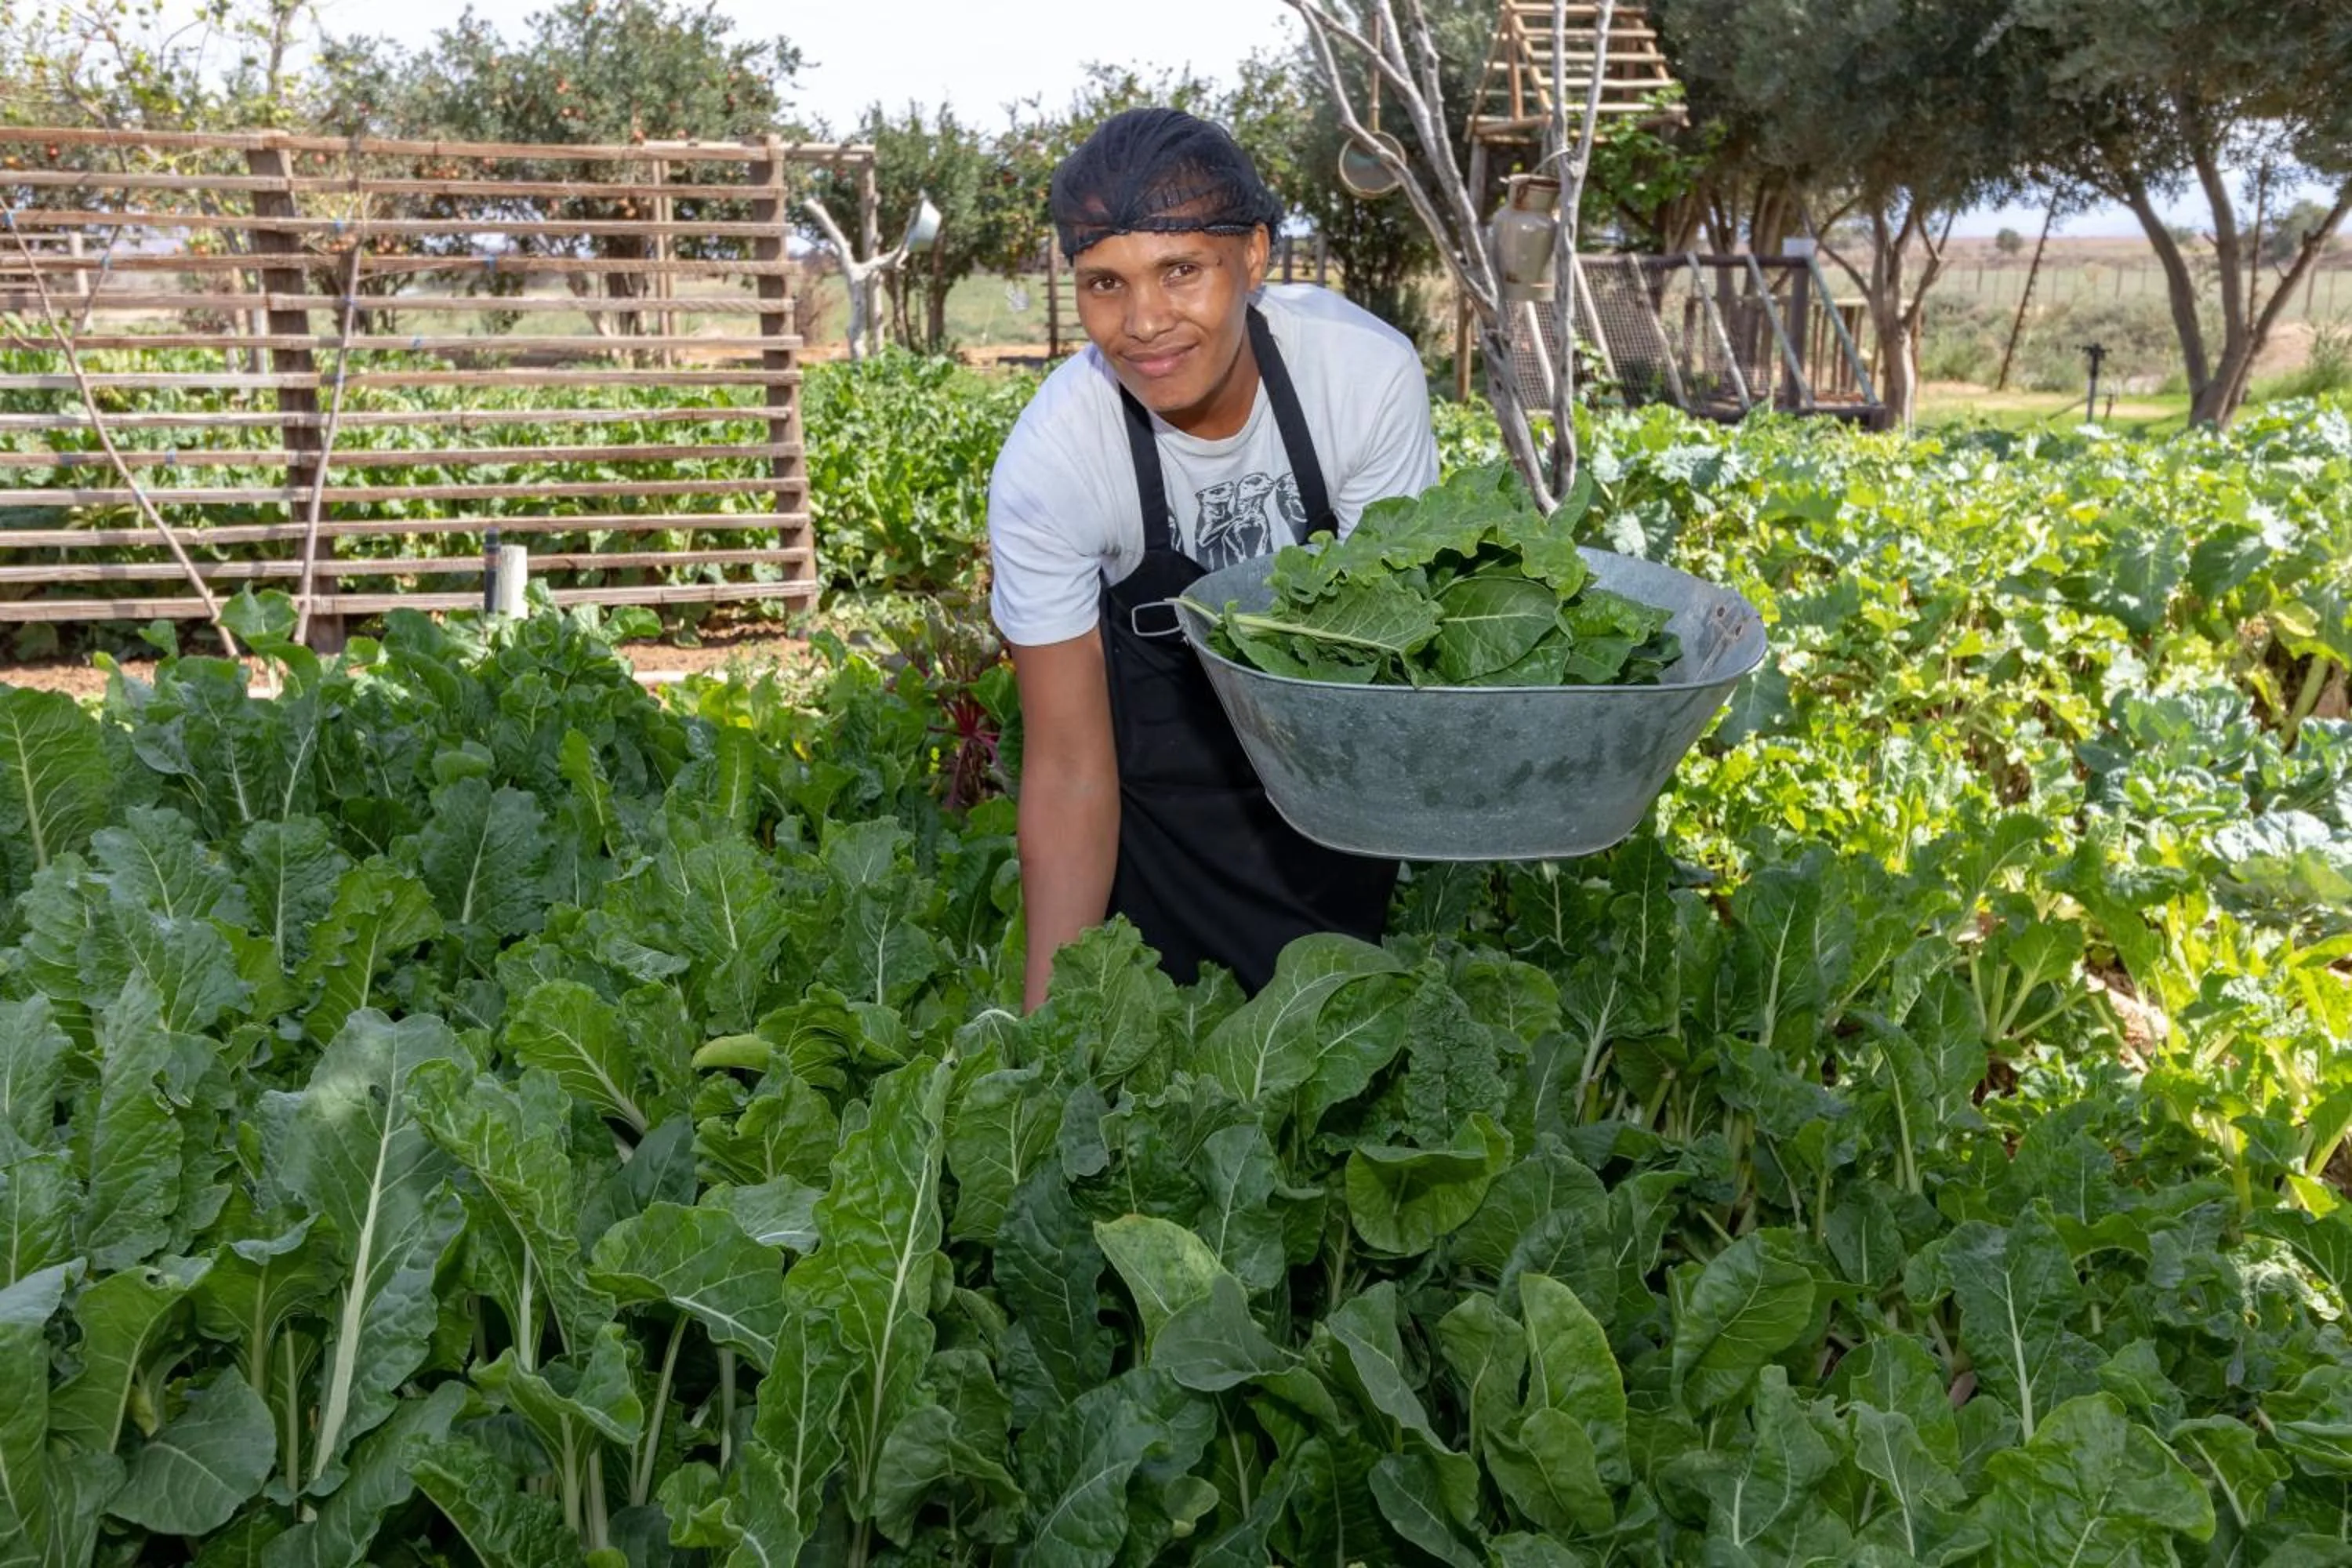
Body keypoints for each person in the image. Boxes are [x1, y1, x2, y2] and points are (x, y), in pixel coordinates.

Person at [988, 107, 1439, 1010]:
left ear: (1257, 257)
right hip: (1156, 825)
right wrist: (1047, 1035)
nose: (1144, 322)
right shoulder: (1053, 461)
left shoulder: (1362, 378)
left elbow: (1392, 660)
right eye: (1104, 284)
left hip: (1334, 803)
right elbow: (1073, 770)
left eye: (1181, 270)